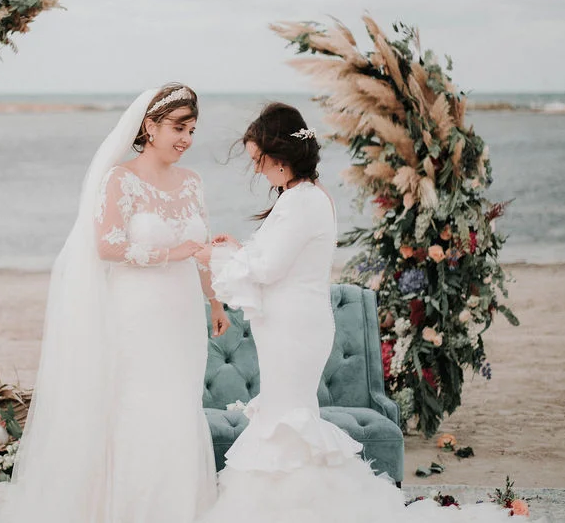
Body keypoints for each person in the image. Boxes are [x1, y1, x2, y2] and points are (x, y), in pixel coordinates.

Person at [194, 102, 516, 522]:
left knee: (287, 419)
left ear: (280, 156)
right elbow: (279, 259)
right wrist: (235, 250)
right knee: (286, 415)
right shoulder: (303, 197)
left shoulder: (301, 202)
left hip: (293, 328)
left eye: (259, 160)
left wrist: (211, 256)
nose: (258, 171)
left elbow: (269, 269)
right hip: (291, 322)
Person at [0, 84, 227, 523]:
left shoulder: (193, 182)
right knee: (138, 407)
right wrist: (177, 252)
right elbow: (108, 247)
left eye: (192, 129)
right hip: (136, 314)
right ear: (150, 127)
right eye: (178, 127)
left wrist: (214, 301)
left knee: (178, 409)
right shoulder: (121, 179)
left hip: (183, 316)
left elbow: (203, 246)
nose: (186, 138)